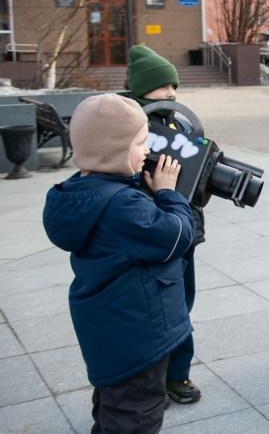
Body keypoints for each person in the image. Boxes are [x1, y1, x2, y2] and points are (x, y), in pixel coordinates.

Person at [42, 94, 194, 434]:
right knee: (136, 417)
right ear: (115, 150)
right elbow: (176, 237)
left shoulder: (80, 193)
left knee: (115, 406)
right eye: (141, 144)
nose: (148, 152)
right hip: (138, 335)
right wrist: (170, 194)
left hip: (110, 331)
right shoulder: (123, 206)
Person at [125, 45, 203, 405]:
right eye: (164, 87)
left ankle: (178, 375)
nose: (173, 93)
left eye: (174, 85)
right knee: (153, 310)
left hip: (183, 229)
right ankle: (149, 379)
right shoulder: (127, 124)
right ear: (143, 88)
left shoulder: (179, 122)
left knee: (181, 305)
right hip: (150, 227)